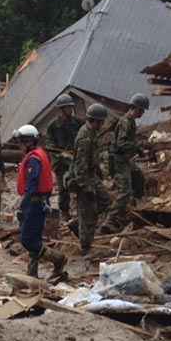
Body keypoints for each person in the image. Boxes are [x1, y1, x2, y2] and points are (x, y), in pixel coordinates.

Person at [14, 125, 67, 280]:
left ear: (28, 141)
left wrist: (23, 204)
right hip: (40, 201)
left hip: (35, 202)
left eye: (22, 142)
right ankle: (32, 274)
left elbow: (33, 183)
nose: (20, 145)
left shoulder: (33, 159)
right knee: (34, 237)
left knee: (27, 240)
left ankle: (58, 258)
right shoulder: (39, 154)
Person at [66, 103, 111, 255]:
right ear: (95, 121)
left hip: (91, 176)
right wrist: (86, 187)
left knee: (105, 201)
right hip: (83, 179)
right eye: (101, 122)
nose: (102, 124)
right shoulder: (84, 138)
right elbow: (80, 167)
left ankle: (77, 223)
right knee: (88, 213)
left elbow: (92, 159)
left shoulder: (91, 132)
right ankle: (85, 247)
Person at [100, 94, 149, 234]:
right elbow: (121, 144)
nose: (142, 113)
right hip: (118, 160)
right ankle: (109, 220)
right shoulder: (125, 122)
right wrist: (137, 147)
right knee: (124, 192)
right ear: (134, 108)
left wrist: (138, 148)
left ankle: (131, 209)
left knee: (138, 177)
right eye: (141, 110)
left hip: (125, 159)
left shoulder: (131, 122)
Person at [45, 94, 83, 220]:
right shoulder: (53, 126)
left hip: (75, 160)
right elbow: (49, 143)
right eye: (67, 108)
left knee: (80, 185)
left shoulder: (77, 123)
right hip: (60, 163)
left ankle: (80, 210)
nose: (70, 110)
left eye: (70, 107)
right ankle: (65, 212)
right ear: (61, 109)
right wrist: (60, 154)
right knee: (63, 189)